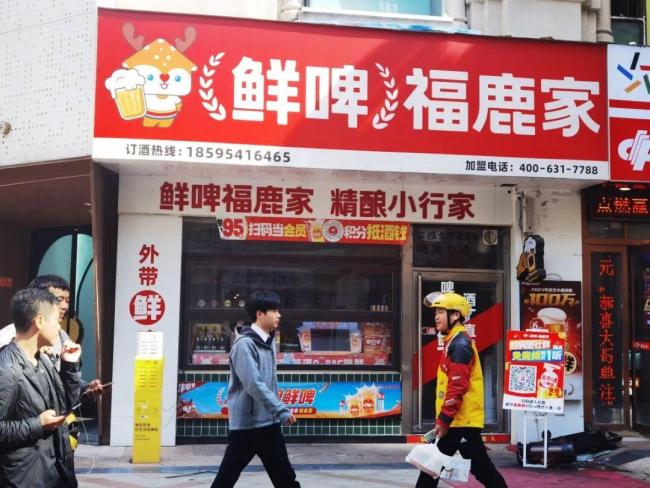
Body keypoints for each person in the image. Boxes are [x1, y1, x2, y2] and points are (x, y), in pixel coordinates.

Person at [416, 292, 507, 488]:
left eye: (441, 312)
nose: (436, 317)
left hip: (460, 422)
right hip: (457, 421)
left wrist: (444, 419)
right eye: (436, 312)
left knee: (481, 471)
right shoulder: (454, 341)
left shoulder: (459, 344)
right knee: (432, 468)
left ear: (455, 315)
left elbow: (458, 386)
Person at [211, 290, 300, 488]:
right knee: (225, 479)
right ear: (259, 314)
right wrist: (281, 410)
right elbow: (254, 385)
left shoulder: (268, 342)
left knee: (286, 479)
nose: (279, 315)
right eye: (274, 311)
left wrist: (275, 413)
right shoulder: (244, 345)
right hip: (247, 426)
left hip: (269, 424)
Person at [0, 288, 82, 487]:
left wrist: (69, 366)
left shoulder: (42, 359)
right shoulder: (7, 368)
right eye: (55, 320)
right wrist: (37, 424)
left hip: (54, 471)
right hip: (24, 478)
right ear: (39, 322)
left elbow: (66, 406)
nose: (59, 327)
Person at [0, 275, 103, 398]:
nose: (65, 306)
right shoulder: (7, 340)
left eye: (67, 301)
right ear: (39, 299)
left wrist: (85, 387)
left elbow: (59, 385)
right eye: (59, 299)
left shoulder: (62, 335)